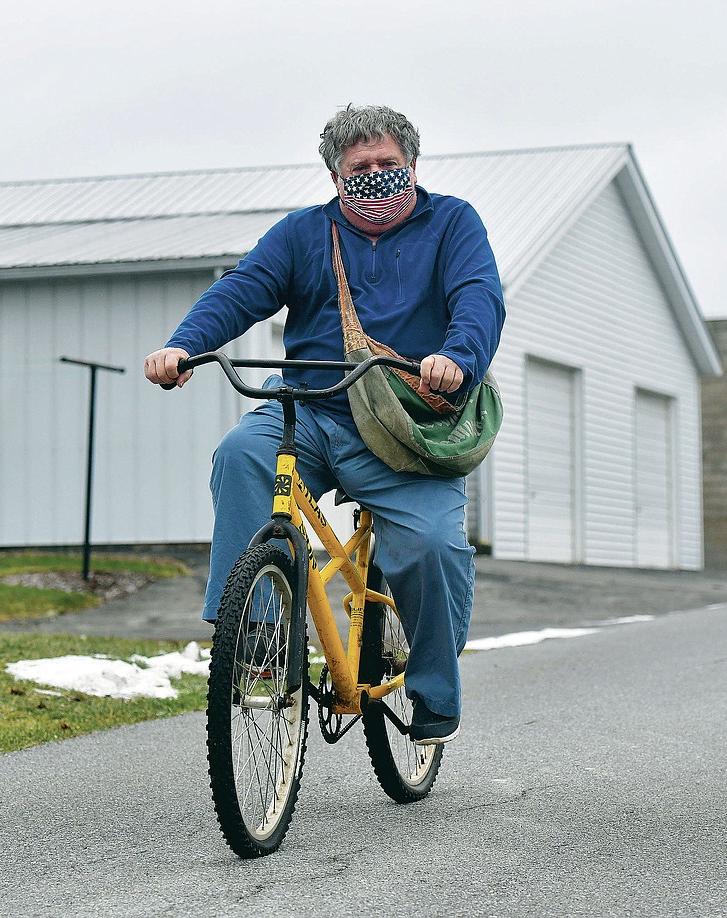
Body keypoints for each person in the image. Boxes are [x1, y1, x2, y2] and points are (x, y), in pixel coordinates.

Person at [145, 104, 505, 744]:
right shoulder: (303, 234)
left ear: (413, 165)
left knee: (432, 547)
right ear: (336, 178)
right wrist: (184, 345)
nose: (375, 176)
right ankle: (256, 638)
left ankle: (435, 693)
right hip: (311, 408)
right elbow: (241, 290)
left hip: (405, 428)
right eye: (359, 168)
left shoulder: (453, 223)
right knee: (241, 454)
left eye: (388, 164)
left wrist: (458, 357)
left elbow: (479, 298)